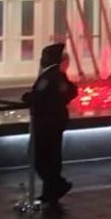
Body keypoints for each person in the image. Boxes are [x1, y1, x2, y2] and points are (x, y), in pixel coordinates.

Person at [23, 43, 77, 205]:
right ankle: (51, 191)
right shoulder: (57, 75)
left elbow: (39, 96)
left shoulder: (49, 76)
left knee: (41, 157)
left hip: (46, 122)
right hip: (55, 121)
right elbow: (70, 91)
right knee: (51, 157)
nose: (41, 59)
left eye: (44, 56)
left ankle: (58, 185)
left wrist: (28, 98)